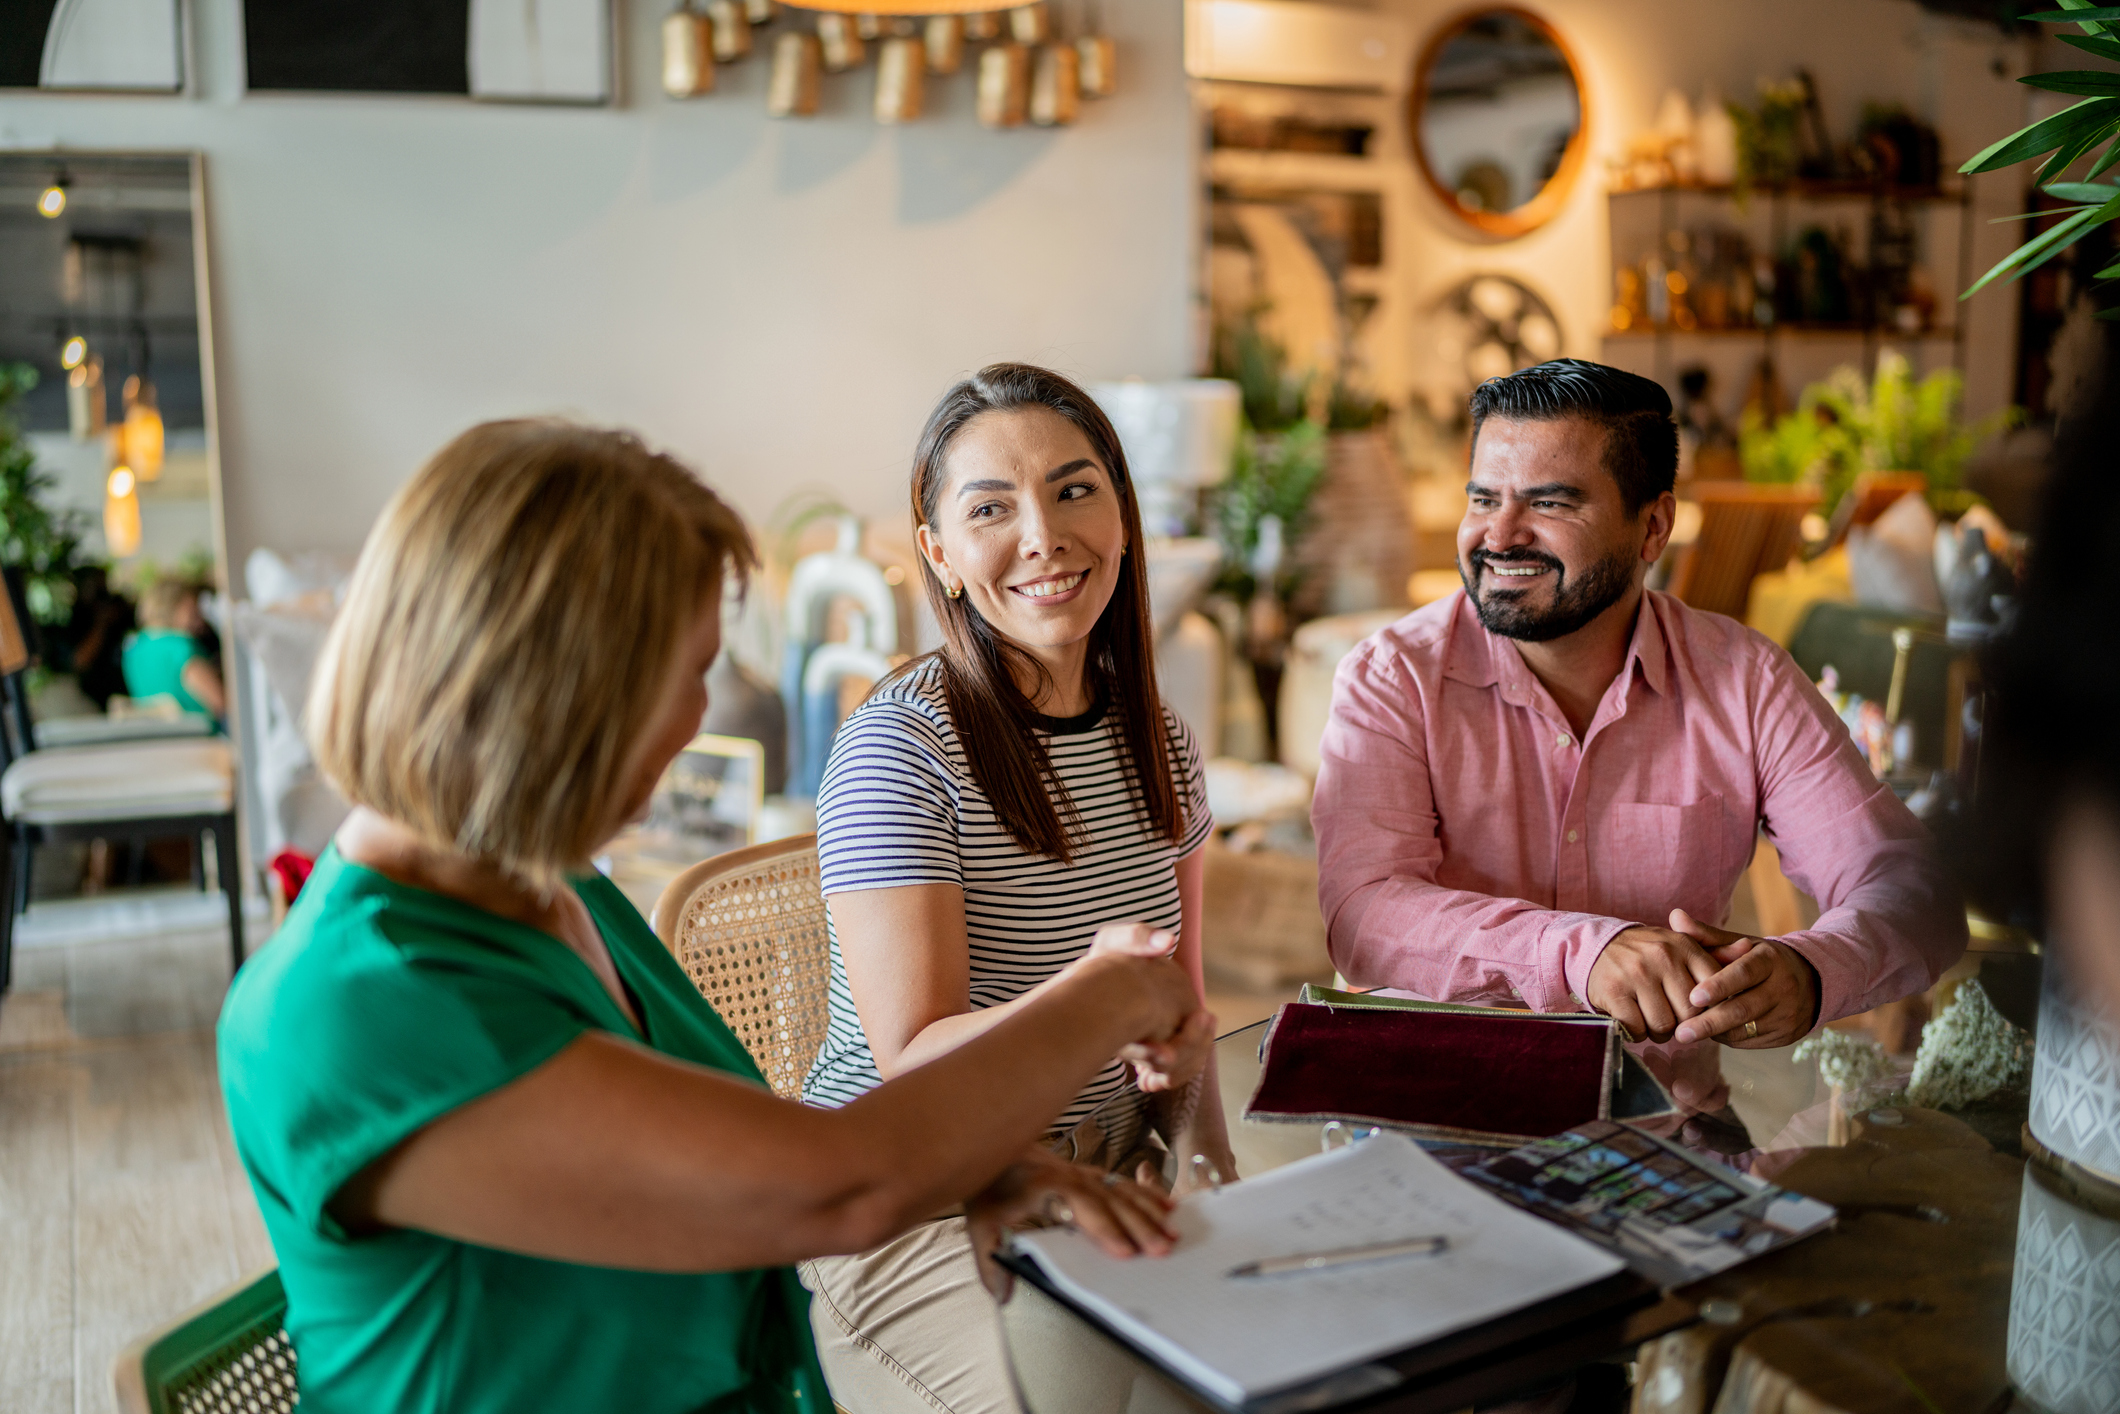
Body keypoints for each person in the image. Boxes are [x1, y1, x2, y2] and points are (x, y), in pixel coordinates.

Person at [216, 421, 1206, 1414]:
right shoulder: (351, 1008)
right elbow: (837, 1183)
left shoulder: (553, 891)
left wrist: (979, 1172)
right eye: (687, 672)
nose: (700, 718)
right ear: (549, 690)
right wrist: (1107, 991)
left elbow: (725, 1149)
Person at [1311, 359, 1965, 1085]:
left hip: (1660, 1131)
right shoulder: (1392, 676)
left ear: (1653, 526)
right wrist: (1582, 954)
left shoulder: (1744, 681)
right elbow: (1364, 916)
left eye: (1550, 504)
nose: (1500, 535)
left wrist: (1810, 972)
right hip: (1430, 1113)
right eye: (1483, 498)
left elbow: (1915, 890)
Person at [800, 363, 1230, 1414]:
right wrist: (1088, 1001)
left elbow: (1179, 1001)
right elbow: (911, 1063)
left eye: (1075, 489)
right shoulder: (898, 750)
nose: (1042, 536)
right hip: (918, 1202)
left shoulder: (1160, 742)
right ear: (938, 555)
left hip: (1111, 1182)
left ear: (1124, 518)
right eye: (990, 508)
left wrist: (1210, 1167)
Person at [122, 576, 225, 720]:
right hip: (198, 735)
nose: (199, 615)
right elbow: (220, 702)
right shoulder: (181, 646)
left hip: (162, 735)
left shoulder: (134, 649)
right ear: (174, 604)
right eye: (192, 608)